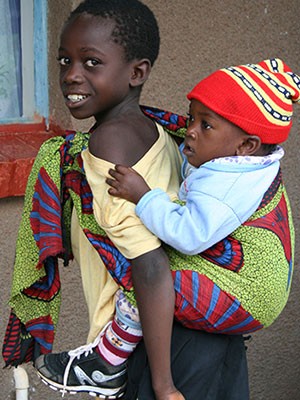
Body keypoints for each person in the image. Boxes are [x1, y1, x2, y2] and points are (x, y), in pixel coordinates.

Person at [2, 1, 249, 399]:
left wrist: (162, 384)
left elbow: (150, 265)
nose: (71, 76)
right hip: (202, 339)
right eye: (65, 60)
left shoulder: (110, 140)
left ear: (137, 72)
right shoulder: (158, 132)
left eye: (91, 63)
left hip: (152, 350)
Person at [106, 58, 297, 336]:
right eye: (191, 116)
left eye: (205, 125)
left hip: (245, 298)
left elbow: (188, 234)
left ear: (246, 145)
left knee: (145, 276)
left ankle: (108, 358)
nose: (190, 130)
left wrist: (143, 196)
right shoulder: (238, 160)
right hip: (252, 291)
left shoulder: (230, 184)